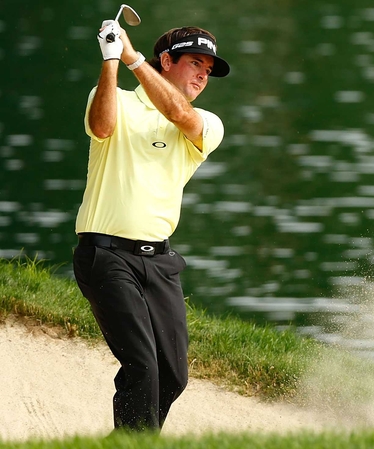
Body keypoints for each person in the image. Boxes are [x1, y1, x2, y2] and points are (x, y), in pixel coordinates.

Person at [71, 18, 230, 433]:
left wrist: (132, 57)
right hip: (105, 255)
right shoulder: (115, 99)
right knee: (142, 367)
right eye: (195, 62)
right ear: (167, 61)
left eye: (208, 70)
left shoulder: (206, 123)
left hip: (160, 262)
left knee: (172, 376)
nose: (202, 75)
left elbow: (180, 114)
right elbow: (102, 126)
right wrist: (110, 60)